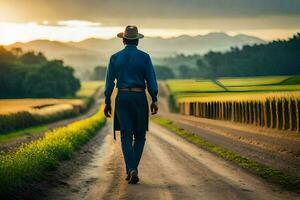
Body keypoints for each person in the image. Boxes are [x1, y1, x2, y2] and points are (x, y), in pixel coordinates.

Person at [104, 25, 158, 184]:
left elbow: (109, 83)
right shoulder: (145, 57)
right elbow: (151, 81)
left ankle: (131, 168)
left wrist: (107, 101)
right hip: (139, 97)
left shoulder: (114, 58)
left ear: (123, 40)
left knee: (126, 135)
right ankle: (133, 168)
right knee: (140, 135)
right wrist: (154, 99)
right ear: (137, 42)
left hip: (123, 98)